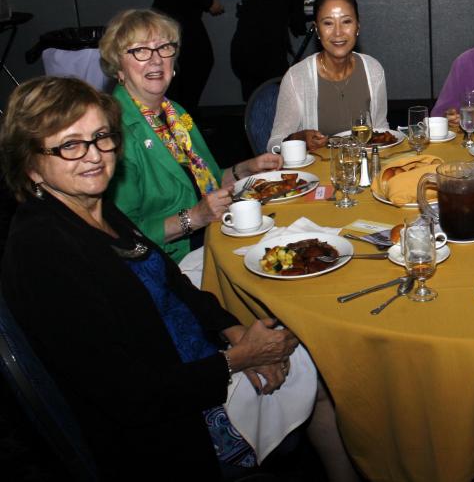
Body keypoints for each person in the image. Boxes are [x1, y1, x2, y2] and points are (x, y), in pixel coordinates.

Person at [0, 77, 357, 479]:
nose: (94, 156)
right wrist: (239, 359)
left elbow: (175, 284)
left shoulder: (94, 208)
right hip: (170, 434)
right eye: (70, 145)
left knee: (302, 350)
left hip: (196, 367)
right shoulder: (42, 253)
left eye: (101, 136)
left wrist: (236, 332)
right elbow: (130, 396)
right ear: (30, 165)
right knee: (322, 370)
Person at [99, 9, 281, 270]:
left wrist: (246, 168)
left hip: (213, 237)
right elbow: (121, 234)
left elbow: (207, 181)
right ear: (118, 66)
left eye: (164, 47)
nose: (156, 60)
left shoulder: (175, 113)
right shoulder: (114, 130)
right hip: (168, 263)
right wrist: (193, 218)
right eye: (140, 50)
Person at [269, 0, 389, 151]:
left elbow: (382, 130)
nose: (338, 32)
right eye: (328, 23)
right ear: (317, 29)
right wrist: (299, 139)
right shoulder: (296, 77)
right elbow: (273, 145)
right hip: (318, 173)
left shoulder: (374, 70)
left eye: (346, 21)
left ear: (357, 27)